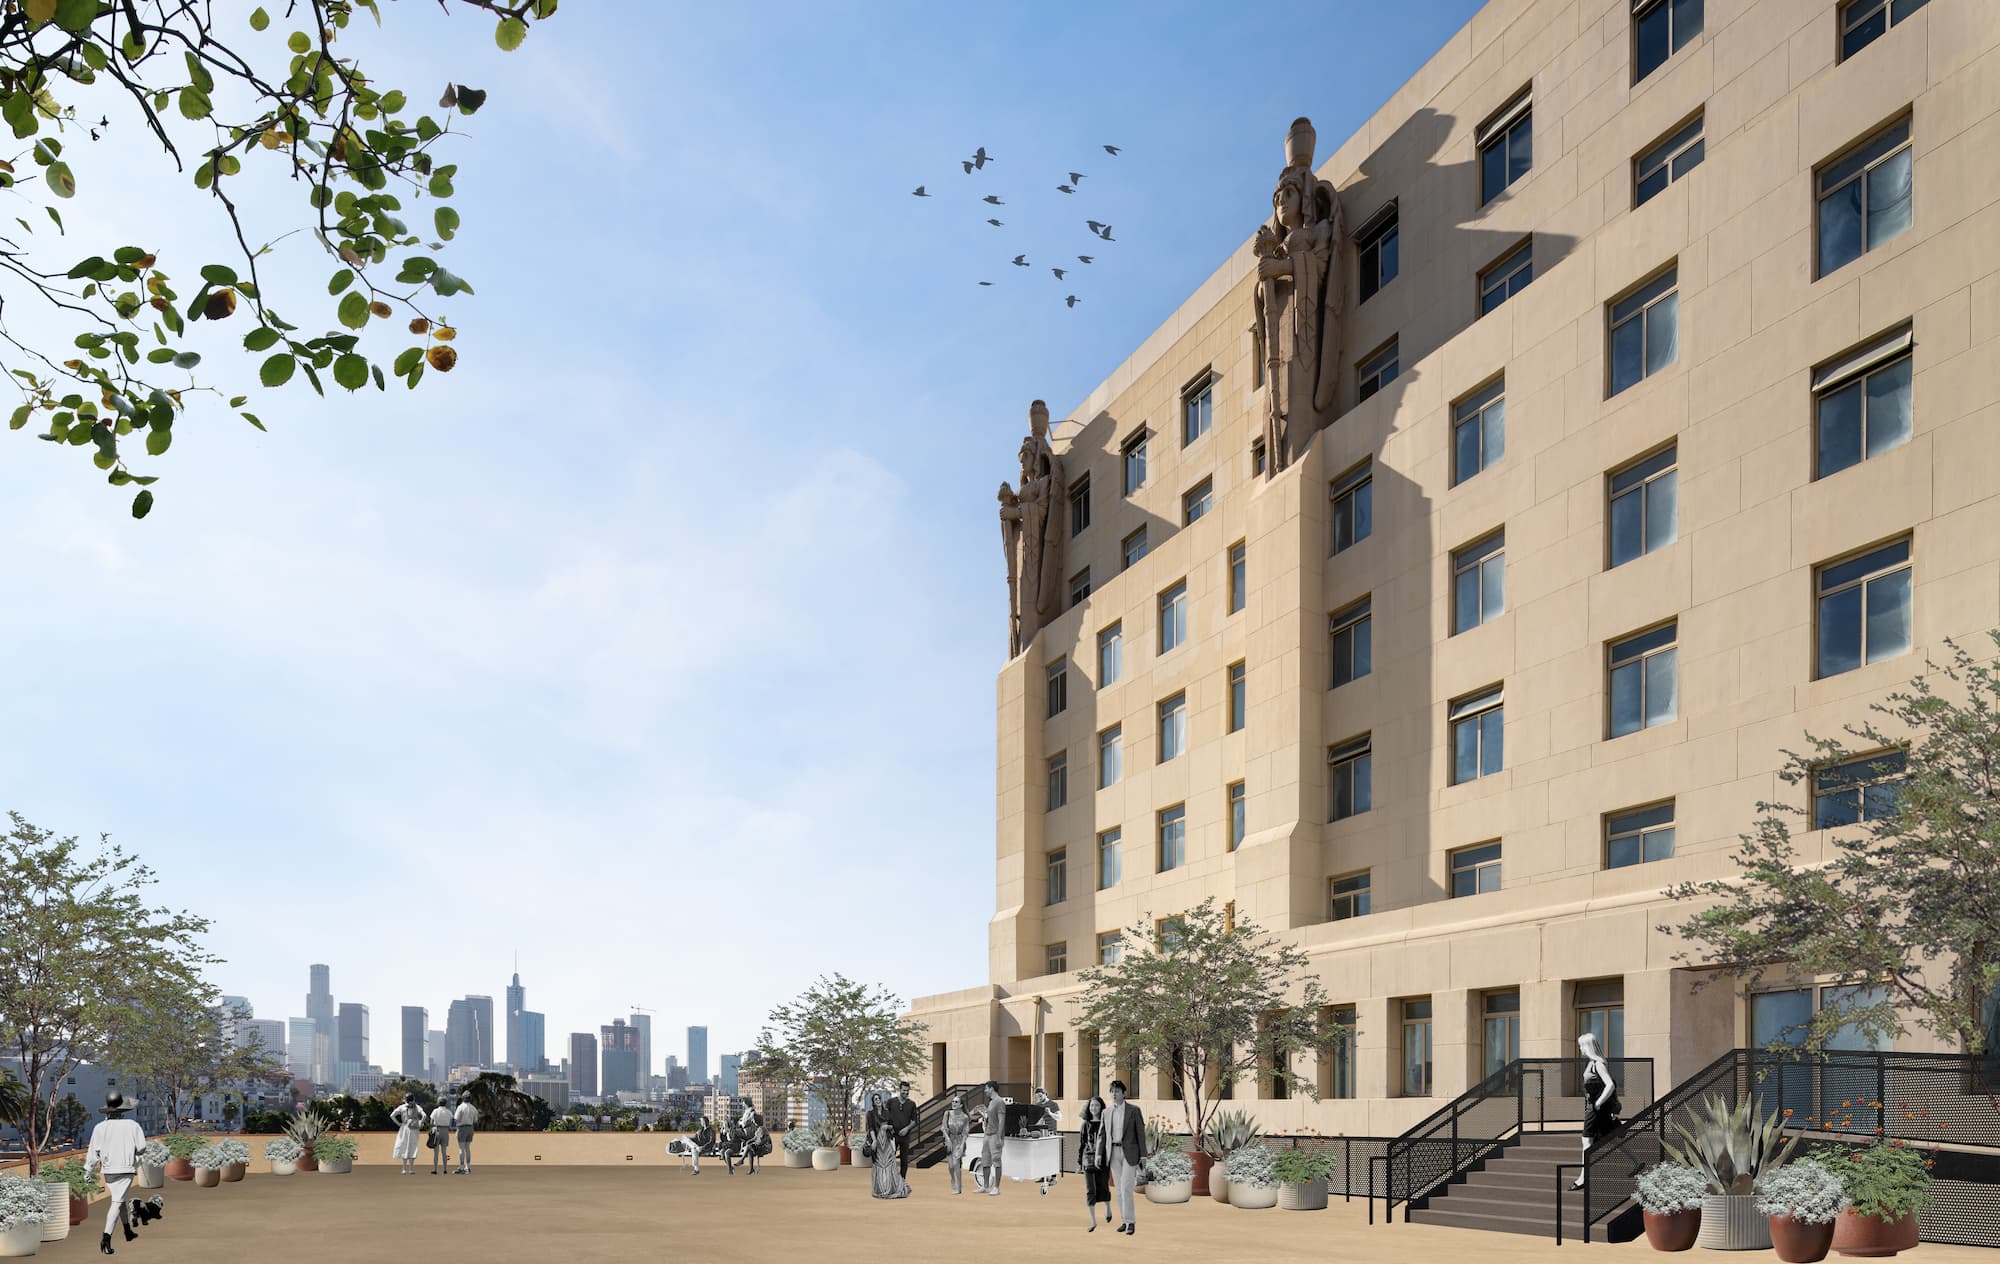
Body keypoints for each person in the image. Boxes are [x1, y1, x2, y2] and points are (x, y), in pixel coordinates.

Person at [84, 1091, 145, 1255]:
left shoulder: (99, 1128)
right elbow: (141, 1148)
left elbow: (92, 1153)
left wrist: (88, 1170)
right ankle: (106, 1238)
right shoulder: (132, 1126)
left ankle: (127, 1231)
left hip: (109, 1170)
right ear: (123, 1110)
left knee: (120, 1198)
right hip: (126, 1169)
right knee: (117, 1202)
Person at [1572, 1031, 1622, 1188]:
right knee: (1607, 1137)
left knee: (1587, 1140)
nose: (1580, 1049)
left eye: (1581, 1045)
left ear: (1588, 1046)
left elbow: (1610, 1085)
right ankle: (1635, 1161)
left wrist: (1598, 1103)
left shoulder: (1597, 1064)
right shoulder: (1591, 1064)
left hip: (1595, 1109)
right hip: (1593, 1107)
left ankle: (1583, 1178)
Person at [1103, 1079, 1145, 1236]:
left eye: (1117, 1091)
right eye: (1112, 1091)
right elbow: (1103, 1135)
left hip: (1130, 1153)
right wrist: (1101, 1155)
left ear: (1124, 1093)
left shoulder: (1134, 1111)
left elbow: (1141, 1134)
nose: (1114, 1094)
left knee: (1126, 1188)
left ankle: (1131, 1222)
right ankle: (1124, 1220)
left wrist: (1143, 1156)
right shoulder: (1106, 1113)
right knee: (1119, 1191)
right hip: (1113, 1153)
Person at [1077, 1095, 1112, 1230]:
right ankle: (1093, 1221)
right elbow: (1082, 1144)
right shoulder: (1085, 1125)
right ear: (1088, 1107)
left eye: (1096, 1105)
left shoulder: (1106, 1124)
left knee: (1103, 1186)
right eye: (1091, 1105)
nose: (1094, 1108)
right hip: (1088, 1161)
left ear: (1101, 1107)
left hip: (1103, 1161)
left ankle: (1108, 1209)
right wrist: (1079, 1162)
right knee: (1090, 1190)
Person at [868, 1094, 910, 1200]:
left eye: (879, 1098)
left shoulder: (887, 1112)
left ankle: (890, 1188)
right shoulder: (870, 1114)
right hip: (877, 1141)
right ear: (873, 1102)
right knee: (879, 1165)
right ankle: (880, 1189)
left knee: (889, 1166)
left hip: (887, 1141)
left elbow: (893, 1126)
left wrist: (887, 1127)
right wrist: (873, 1141)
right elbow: (871, 1128)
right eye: (875, 1099)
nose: (878, 1100)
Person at [884, 1081, 919, 1180]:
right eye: (904, 1090)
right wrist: (888, 1128)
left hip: (905, 1136)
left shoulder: (912, 1104)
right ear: (899, 1090)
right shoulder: (891, 1102)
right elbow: (885, 1117)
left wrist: (906, 1129)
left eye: (907, 1091)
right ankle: (889, 1180)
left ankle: (902, 1180)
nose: (906, 1093)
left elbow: (914, 1121)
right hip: (892, 1135)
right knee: (890, 1158)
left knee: (904, 1160)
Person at [977, 1081, 1007, 1195]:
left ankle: (997, 1188)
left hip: (995, 1136)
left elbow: (1001, 1121)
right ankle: (985, 1186)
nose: (985, 1091)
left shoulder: (999, 1102)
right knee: (985, 1160)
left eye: (986, 1088)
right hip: (987, 1135)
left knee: (996, 1161)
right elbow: (991, 1119)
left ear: (991, 1089)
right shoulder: (991, 1102)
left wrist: (999, 1137)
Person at [1031, 1087, 1061, 1195]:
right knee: (1041, 1156)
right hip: (1040, 1134)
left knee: (1051, 1156)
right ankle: (1043, 1176)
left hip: (1051, 1133)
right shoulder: (1037, 1106)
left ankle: (1053, 1177)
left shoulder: (1053, 1104)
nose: (1038, 1098)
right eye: (1037, 1097)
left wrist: (1050, 1113)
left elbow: (1059, 1117)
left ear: (1045, 1094)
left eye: (1040, 1096)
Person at [940, 1093, 970, 1195]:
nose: (953, 1103)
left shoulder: (965, 1117)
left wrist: (962, 1145)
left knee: (956, 1164)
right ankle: (952, 1179)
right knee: (951, 1166)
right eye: (953, 1101)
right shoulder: (947, 1113)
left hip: (959, 1141)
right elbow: (943, 1128)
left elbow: (966, 1131)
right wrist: (947, 1139)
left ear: (961, 1105)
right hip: (949, 1140)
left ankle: (959, 1187)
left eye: (956, 1102)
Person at [390, 1096, 425, 1176]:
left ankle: (404, 1169)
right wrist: (420, 1123)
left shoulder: (402, 1107)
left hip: (404, 1128)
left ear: (405, 1100)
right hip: (414, 1129)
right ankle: (411, 1169)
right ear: (413, 1100)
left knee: (404, 1147)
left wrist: (398, 1124)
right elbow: (424, 1115)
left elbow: (392, 1115)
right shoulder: (417, 1107)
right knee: (413, 1147)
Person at [452, 1094, 479, 1174]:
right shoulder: (473, 1108)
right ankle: (468, 1167)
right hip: (470, 1128)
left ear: (463, 1098)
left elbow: (456, 1118)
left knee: (461, 1149)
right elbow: (475, 1120)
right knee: (467, 1148)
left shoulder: (460, 1107)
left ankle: (461, 1167)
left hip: (462, 1128)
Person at [428, 1098, 454, 1175]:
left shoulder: (435, 1111)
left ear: (438, 1103)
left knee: (436, 1152)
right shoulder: (449, 1112)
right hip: (445, 1131)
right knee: (444, 1152)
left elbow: (431, 1122)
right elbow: (450, 1122)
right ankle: (445, 1169)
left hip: (437, 1130)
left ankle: (435, 1169)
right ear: (445, 1103)